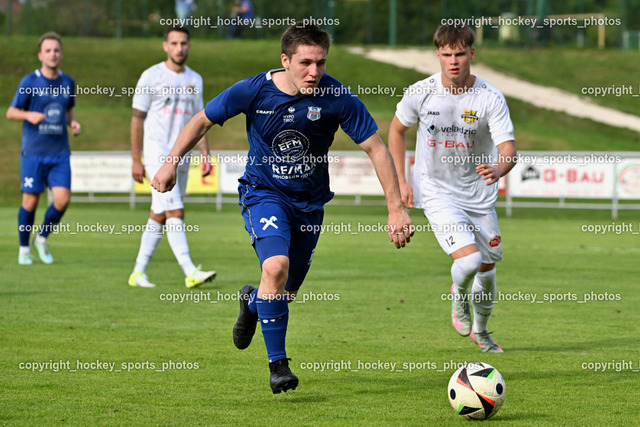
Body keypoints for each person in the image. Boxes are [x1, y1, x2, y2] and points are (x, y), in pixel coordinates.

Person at [151, 23, 413, 393]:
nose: (314, 71)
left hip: (309, 205)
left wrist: (395, 208)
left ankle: (251, 303)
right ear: (285, 60)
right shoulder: (254, 90)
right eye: (305, 63)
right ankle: (279, 366)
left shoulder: (337, 96)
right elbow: (201, 120)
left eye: (321, 63)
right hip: (264, 194)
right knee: (274, 266)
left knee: (283, 293)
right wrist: (170, 163)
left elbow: (377, 148)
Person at [388, 24, 517, 353]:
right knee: (470, 262)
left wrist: (499, 168)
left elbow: (508, 150)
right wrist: (402, 180)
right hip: (436, 190)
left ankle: (482, 331)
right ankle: (458, 295)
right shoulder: (421, 92)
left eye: (460, 54)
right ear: (438, 56)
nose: (454, 61)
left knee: (487, 268)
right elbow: (397, 130)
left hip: (479, 195)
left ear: (472, 53)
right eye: (447, 55)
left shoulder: (490, 98)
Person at [128, 26, 216, 289]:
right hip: (157, 156)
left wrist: (205, 154)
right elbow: (137, 119)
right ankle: (190, 271)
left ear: (189, 46)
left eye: (184, 43)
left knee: (159, 214)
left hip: (182, 158)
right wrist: (136, 159)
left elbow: (200, 121)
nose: (179, 48)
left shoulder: (195, 79)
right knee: (175, 210)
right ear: (165, 46)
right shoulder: (151, 76)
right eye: (174, 43)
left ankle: (138, 272)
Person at [7, 32, 81, 265]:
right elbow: (11, 112)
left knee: (62, 200)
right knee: (30, 202)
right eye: (48, 50)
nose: (53, 54)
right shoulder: (30, 82)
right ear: (40, 55)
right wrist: (28, 115)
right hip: (34, 153)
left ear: (62, 54)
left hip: (59, 154)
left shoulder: (68, 82)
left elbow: (67, 111)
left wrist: (73, 123)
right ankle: (24, 249)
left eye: (56, 50)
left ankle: (41, 238)